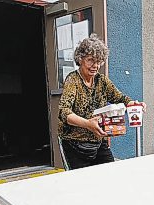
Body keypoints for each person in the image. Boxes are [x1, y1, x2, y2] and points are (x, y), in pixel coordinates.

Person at [58, 34, 146, 169]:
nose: (95, 65)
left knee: (110, 174)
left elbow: (120, 98)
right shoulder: (73, 80)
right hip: (75, 144)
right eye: (90, 60)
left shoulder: (102, 80)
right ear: (80, 59)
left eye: (99, 61)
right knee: (81, 183)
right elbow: (64, 112)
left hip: (99, 142)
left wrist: (133, 104)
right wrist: (87, 124)